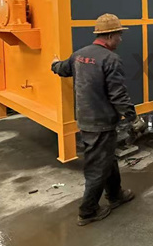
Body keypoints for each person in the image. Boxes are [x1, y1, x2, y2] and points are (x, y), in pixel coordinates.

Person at [51, 13, 147, 226]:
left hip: (85, 118)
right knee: (97, 166)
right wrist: (133, 118)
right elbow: (118, 95)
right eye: (119, 35)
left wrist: (54, 64)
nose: (121, 39)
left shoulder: (79, 55)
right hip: (101, 121)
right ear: (110, 36)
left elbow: (62, 69)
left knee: (107, 157)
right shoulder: (111, 59)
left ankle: (115, 195)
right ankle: (88, 211)